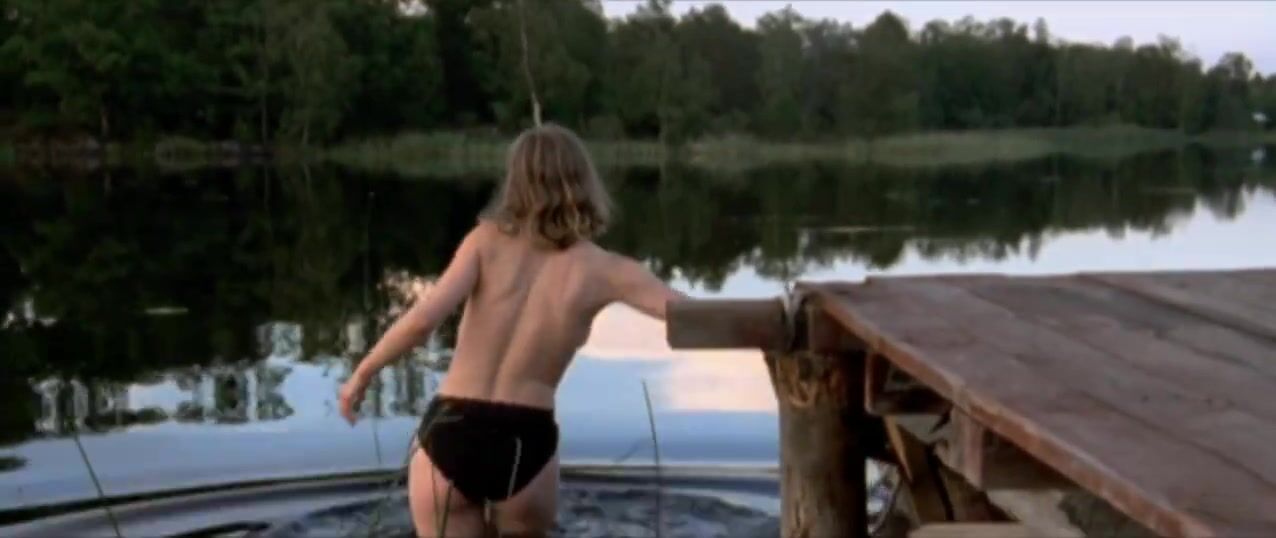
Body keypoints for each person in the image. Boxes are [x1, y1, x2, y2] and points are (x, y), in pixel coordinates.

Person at [338, 123, 686, 537]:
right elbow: (697, 318)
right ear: (584, 181)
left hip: (450, 428)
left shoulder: (484, 241)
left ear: (515, 180)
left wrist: (363, 373)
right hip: (526, 440)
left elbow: (422, 322)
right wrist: (761, 331)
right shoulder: (607, 271)